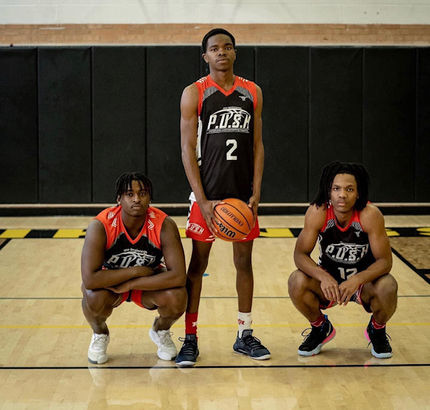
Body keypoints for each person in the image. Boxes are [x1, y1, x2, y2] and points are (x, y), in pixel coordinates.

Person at [176, 28, 270, 367]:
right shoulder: (194, 93)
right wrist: (201, 201)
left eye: (227, 47)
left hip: (242, 197)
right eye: (214, 48)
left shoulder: (252, 91)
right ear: (205, 56)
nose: (221, 52)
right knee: (197, 265)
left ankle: (244, 334)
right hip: (209, 196)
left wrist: (256, 191)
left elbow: (257, 145)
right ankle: (190, 338)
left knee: (244, 264)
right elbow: (187, 150)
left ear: (234, 52)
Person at [288, 161, 398, 359]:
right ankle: (320, 328)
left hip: (364, 283)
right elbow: (300, 255)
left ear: (358, 193)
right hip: (329, 282)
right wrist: (323, 277)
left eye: (349, 189)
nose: (342, 195)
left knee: (388, 286)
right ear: (328, 191)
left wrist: (358, 279)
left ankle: (377, 330)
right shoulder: (318, 212)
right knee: (296, 280)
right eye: (336, 189)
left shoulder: (370, 215)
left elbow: (385, 262)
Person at [81, 172, 187, 364]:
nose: (137, 199)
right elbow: (89, 279)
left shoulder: (164, 225)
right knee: (92, 295)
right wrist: (135, 271)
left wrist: (131, 284)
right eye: (130, 194)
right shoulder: (101, 225)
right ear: (119, 199)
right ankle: (100, 333)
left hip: (147, 286)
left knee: (178, 296)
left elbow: (178, 276)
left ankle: (161, 330)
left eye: (142, 193)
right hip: (113, 286)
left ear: (150, 198)